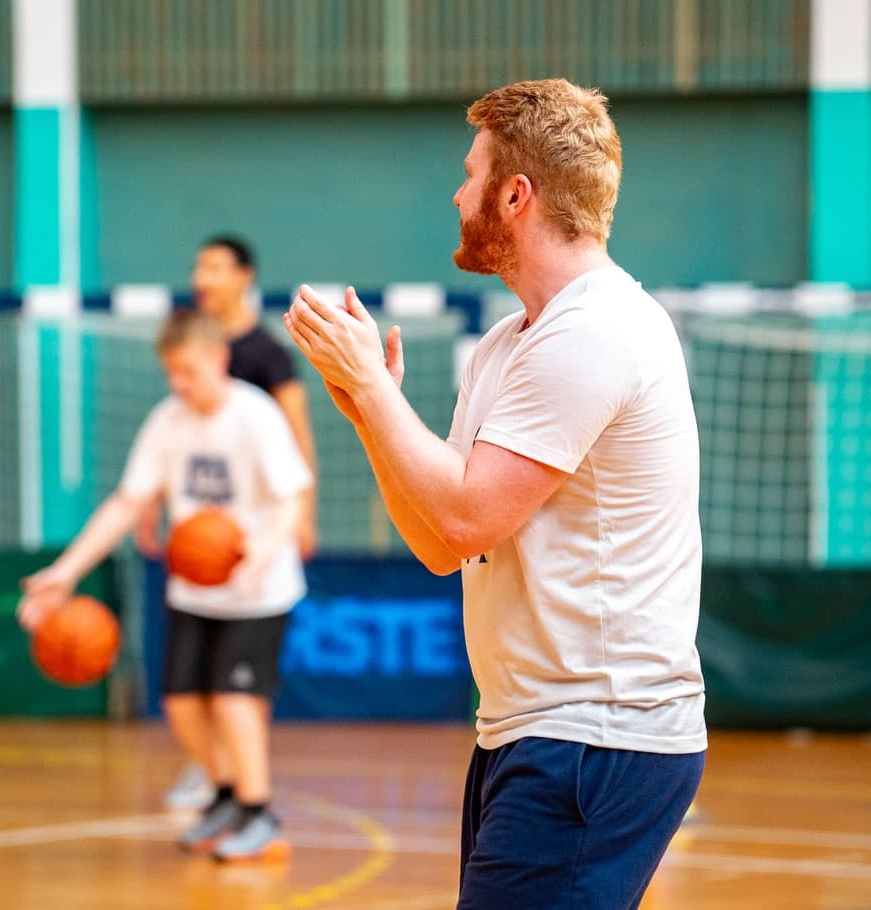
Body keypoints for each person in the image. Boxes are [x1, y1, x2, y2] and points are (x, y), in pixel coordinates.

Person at [284, 78, 706, 908]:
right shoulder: (507, 345)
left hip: (596, 734)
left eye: (470, 171)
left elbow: (464, 513)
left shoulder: (593, 333)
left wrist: (375, 394)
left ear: (514, 195)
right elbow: (444, 544)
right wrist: (372, 410)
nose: (455, 192)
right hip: (533, 730)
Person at [20, 308, 312, 862]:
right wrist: (66, 571)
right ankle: (226, 796)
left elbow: (294, 495)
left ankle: (260, 814)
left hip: (257, 588)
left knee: (234, 700)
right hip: (194, 587)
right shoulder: (167, 422)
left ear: (219, 359)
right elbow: (127, 503)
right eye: (172, 373)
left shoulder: (256, 415)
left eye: (190, 371)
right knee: (180, 703)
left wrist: (265, 550)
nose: (180, 383)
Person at [145, 235, 319, 811]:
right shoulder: (184, 350)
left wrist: (303, 517)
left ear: (244, 276)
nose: (202, 275)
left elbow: (296, 432)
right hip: (201, 527)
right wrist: (149, 504)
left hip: (256, 529)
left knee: (236, 692)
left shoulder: (266, 356)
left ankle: (244, 788)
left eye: (215, 266)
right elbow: (169, 450)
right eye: (198, 265)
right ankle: (217, 774)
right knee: (191, 691)